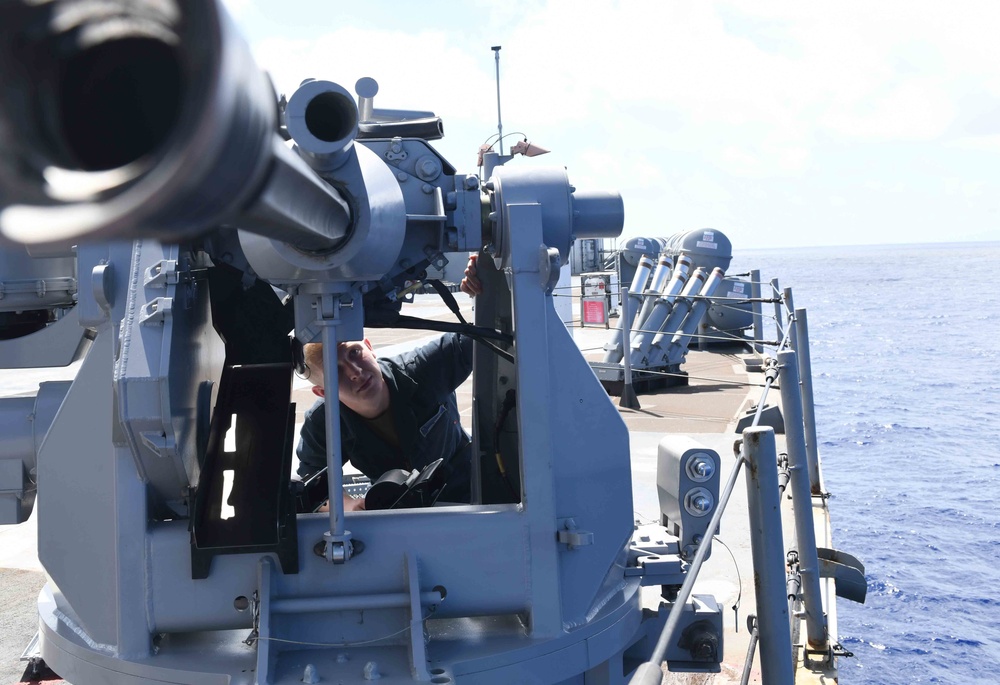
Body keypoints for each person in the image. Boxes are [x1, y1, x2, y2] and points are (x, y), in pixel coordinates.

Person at [297, 259, 483, 512]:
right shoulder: (323, 423)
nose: (354, 372)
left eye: (354, 353)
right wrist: (348, 506)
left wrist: (482, 290)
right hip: (394, 508)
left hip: (468, 491)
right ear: (322, 392)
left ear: (370, 348)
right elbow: (313, 480)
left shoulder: (424, 369)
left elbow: (481, 336)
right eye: (334, 370)